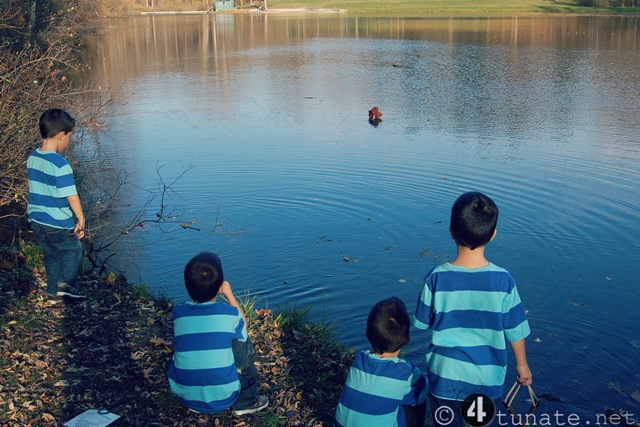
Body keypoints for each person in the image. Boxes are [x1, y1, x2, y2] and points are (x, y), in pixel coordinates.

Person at [413, 191, 532, 427]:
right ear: (493, 234)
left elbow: (422, 321)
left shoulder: (436, 278)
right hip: (486, 380)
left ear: (451, 231)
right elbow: (515, 329)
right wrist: (522, 365)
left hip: (444, 378)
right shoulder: (503, 281)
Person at [168, 252, 268, 415]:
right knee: (241, 340)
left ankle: (197, 390)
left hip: (185, 395)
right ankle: (246, 401)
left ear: (187, 286)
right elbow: (243, 322)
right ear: (220, 286)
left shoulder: (179, 312)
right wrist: (228, 294)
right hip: (224, 397)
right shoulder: (228, 315)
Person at [335, 297, 428, 427]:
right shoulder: (407, 372)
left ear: (367, 334)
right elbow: (424, 393)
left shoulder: (359, 359)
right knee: (416, 398)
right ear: (407, 339)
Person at [27, 108, 86, 299]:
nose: (68, 141)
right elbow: (71, 195)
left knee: (51, 254)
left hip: (37, 218)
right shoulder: (61, 165)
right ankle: (68, 286)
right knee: (73, 250)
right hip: (57, 221)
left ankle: (52, 291)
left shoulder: (33, 158)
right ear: (61, 136)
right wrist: (80, 217)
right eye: (69, 136)